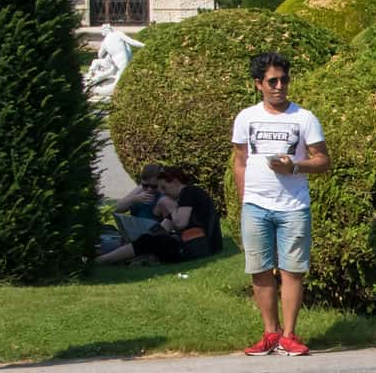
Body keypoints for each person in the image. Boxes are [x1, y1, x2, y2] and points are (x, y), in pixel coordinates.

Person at [231, 52, 328, 356]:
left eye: (284, 80)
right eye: (272, 81)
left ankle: (289, 336)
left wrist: (295, 167)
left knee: (292, 271)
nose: (279, 86)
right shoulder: (246, 117)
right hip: (256, 207)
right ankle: (270, 334)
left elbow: (323, 160)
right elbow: (240, 161)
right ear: (258, 84)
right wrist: (244, 200)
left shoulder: (304, 118)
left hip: (293, 207)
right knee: (260, 270)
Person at [95, 167, 218, 266]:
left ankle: (104, 260)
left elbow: (181, 223)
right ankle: (110, 258)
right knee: (148, 240)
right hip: (196, 247)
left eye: (164, 187)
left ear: (175, 182)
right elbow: (162, 229)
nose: (163, 192)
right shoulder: (182, 199)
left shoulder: (188, 192)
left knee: (151, 242)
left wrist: (168, 205)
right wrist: (141, 236)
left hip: (198, 248)